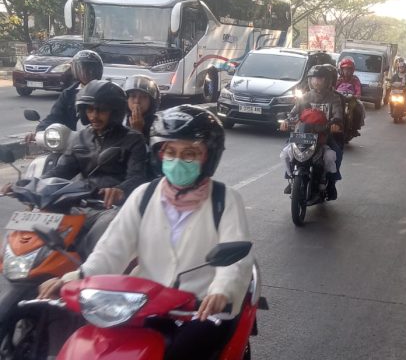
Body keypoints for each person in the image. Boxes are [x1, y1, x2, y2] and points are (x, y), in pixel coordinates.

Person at [37, 105, 255, 360]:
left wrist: (222, 291)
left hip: (201, 308)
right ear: (159, 154)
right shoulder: (143, 196)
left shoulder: (226, 200)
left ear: (208, 157)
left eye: (189, 153)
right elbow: (111, 251)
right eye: (170, 152)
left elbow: (237, 259)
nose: (177, 160)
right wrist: (71, 278)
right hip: (143, 304)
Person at [42, 80, 149, 257]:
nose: (94, 116)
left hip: (110, 207)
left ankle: (86, 268)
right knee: (42, 216)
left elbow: (137, 177)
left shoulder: (133, 139)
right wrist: (32, 184)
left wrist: (119, 190)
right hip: (79, 201)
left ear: (114, 112)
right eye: (90, 110)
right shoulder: (79, 138)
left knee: (108, 224)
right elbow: (60, 171)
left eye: (101, 110)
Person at [281, 64, 344, 200]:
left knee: (335, 154)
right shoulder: (304, 97)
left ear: (327, 80)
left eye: (320, 78)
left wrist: (335, 124)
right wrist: (286, 122)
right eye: (313, 78)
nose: (316, 81)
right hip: (303, 135)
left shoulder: (334, 98)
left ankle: (331, 184)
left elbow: (338, 115)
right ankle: (290, 178)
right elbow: (293, 114)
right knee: (286, 152)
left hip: (323, 136)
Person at [25, 50, 103, 142]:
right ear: (75, 70)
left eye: (91, 69)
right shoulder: (68, 94)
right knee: (53, 157)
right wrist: (39, 133)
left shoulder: (107, 91)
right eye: (82, 69)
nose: (86, 73)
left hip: (104, 142)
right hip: (73, 145)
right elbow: (54, 117)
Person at [123, 74, 161, 139]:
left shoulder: (158, 125)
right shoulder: (120, 121)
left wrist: (137, 130)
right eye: (133, 96)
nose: (137, 101)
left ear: (151, 102)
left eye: (144, 97)